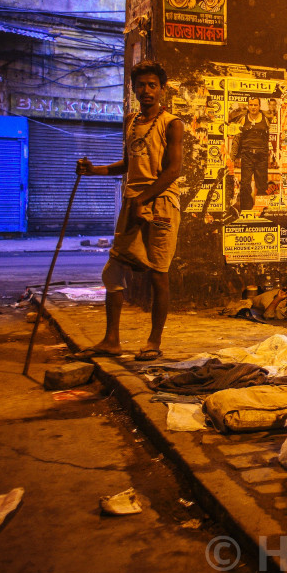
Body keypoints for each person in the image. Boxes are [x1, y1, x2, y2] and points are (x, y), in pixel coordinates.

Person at [71, 60, 184, 362]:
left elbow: (173, 170)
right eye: (141, 85)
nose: (146, 90)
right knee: (113, 271)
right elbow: (127, 165)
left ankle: (154, 342)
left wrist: (143, 198)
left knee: (158, 276)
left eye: (152, 85)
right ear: (134, 88)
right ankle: (111, 340)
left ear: (162, 89)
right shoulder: (132, 122)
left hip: (160, 206)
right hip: (133, 203)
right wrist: (93, 170)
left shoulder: (171, 123)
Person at [230, 96, 270, 211]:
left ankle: (262, 211)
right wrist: (232, 157)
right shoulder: (243, 119)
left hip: (261, 156)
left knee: (262, 185)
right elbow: (237, 138)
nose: (253, 107)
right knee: (245, 186)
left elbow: (271, 138)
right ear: (248, 106)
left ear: (259, 106)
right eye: (251, 105)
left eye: (255, 105)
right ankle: (245, 211)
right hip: (247, 156)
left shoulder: (266, 119)